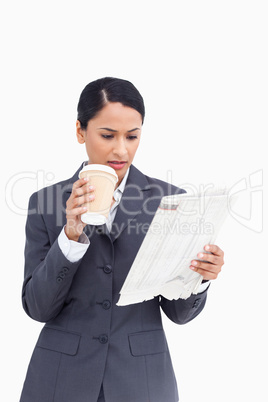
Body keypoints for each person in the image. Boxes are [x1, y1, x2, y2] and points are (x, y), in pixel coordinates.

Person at [19, 77, 224, 402]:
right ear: (80, 131)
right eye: (107, 135)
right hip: (60, 380)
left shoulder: (169, 200)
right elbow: (38, 307)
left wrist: (199, 278)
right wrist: (70, 235)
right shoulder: (45, 203)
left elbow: (179, 314)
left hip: (141, 380)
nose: (121, 149)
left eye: (132, 136)